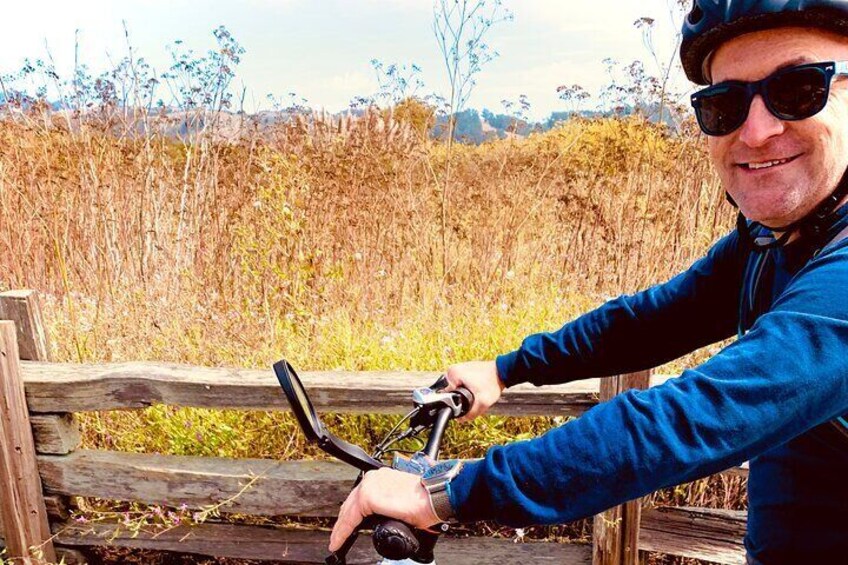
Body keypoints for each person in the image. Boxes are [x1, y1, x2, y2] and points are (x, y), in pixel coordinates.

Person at [330, 2, 848, 563]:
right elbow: (649, 322)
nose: (757, 129)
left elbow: (694, 417)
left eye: (798, 90)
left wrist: (445, 491)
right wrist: (508, 368)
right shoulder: (771, 244)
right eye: (724, 104)